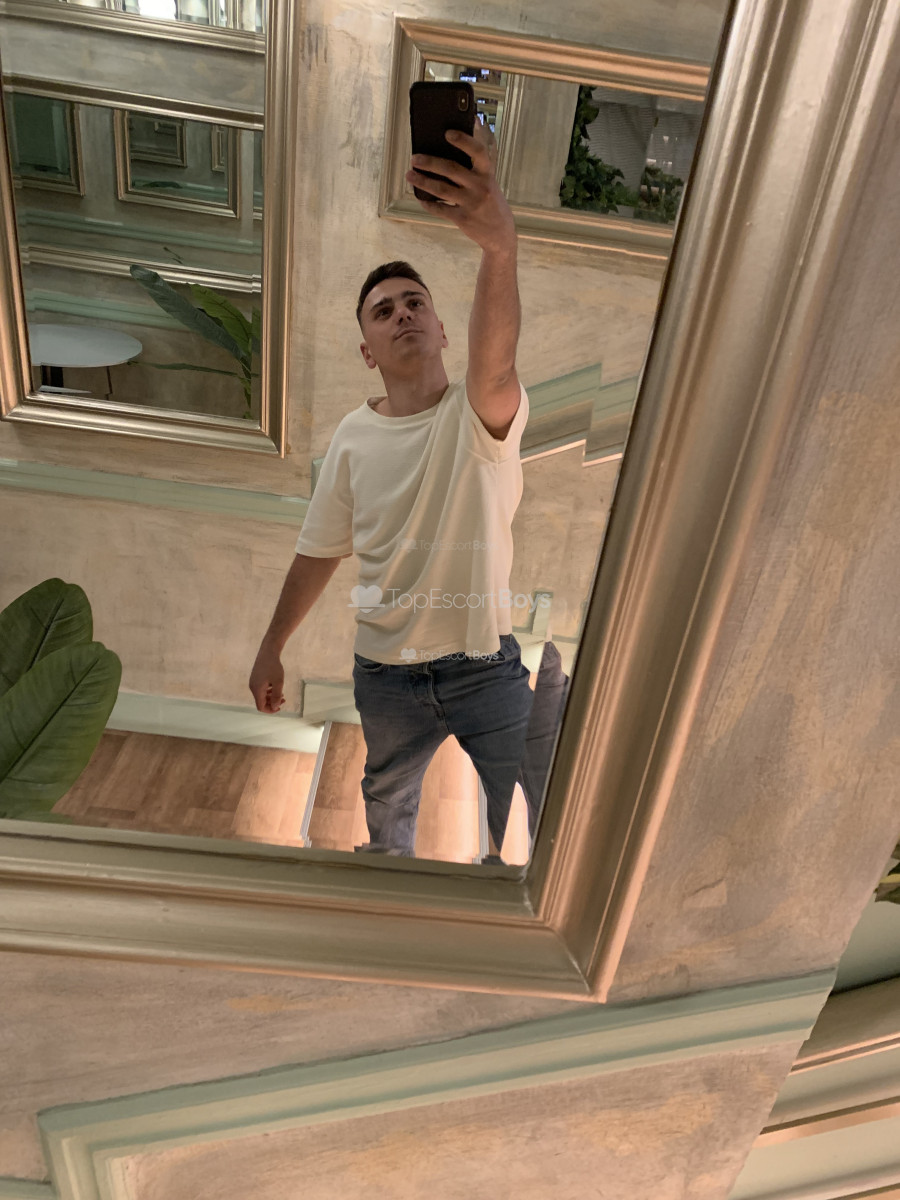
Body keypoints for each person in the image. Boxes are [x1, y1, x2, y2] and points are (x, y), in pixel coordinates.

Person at [250, 122, 538, 859]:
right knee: (386, 815)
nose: (402, 313)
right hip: (384, 678)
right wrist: (272, 645)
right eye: (384, 311)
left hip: (486, 669)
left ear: (442, 329)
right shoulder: (352, 436)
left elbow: (497, 364)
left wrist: (499, 248)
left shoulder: (479, 413)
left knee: (545, 810)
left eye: (415, 303)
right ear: (367, 351)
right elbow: (319, 552)